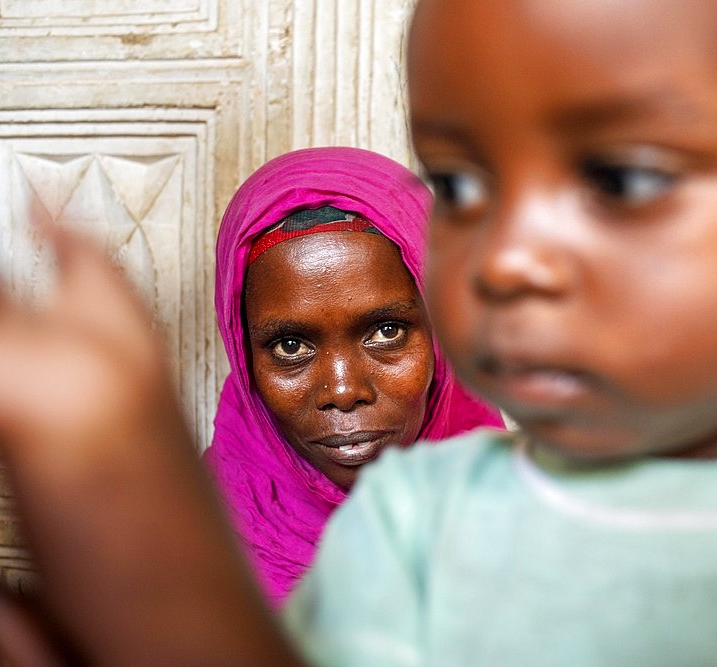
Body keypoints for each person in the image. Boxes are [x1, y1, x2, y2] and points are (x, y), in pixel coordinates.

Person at [0, 0, 717, 665]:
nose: (505, 253)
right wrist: (115, 494)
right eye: (464, 186)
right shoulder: (422, 523)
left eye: (621, 178)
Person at [205, 146, 503, 605]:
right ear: (243, 355)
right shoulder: (180, 560)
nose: (343, 391)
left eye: (387, 332)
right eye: (290, 346)